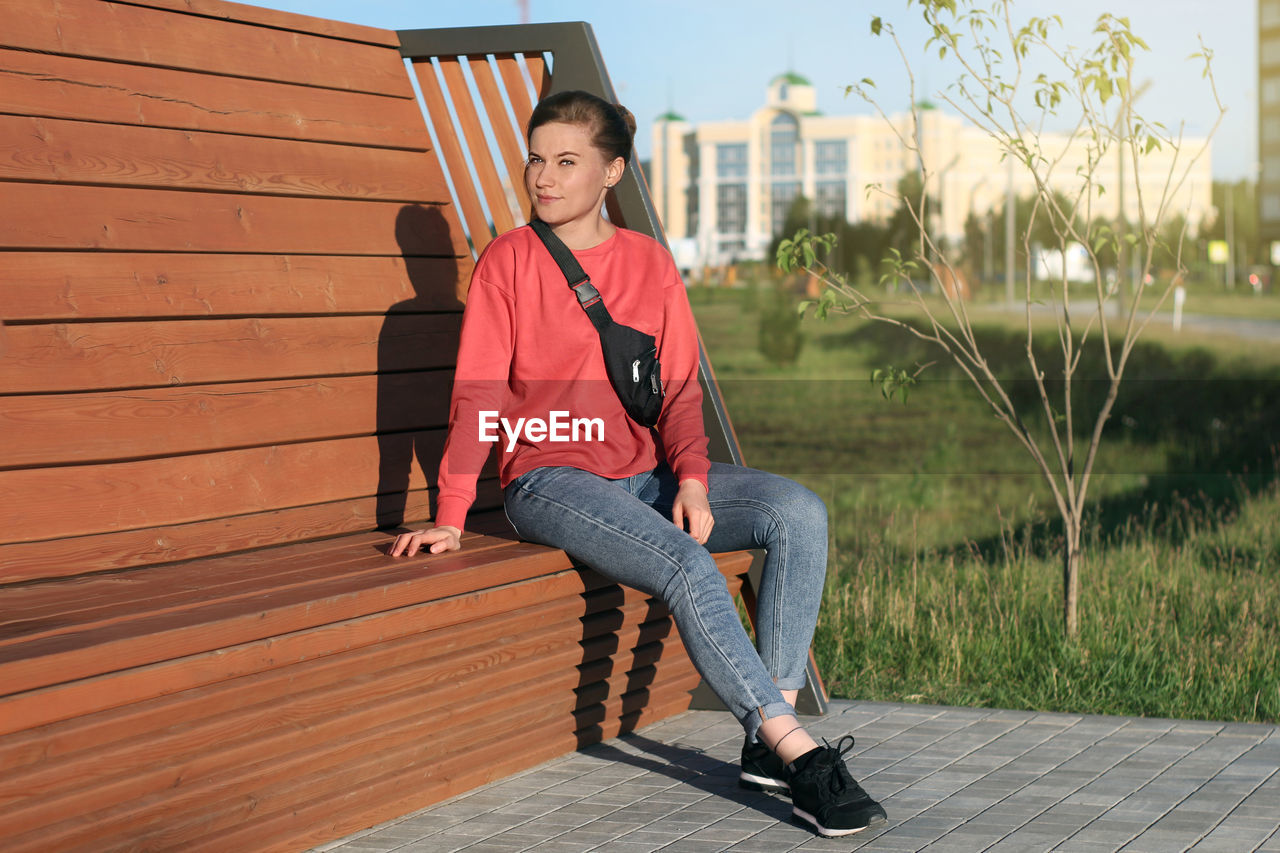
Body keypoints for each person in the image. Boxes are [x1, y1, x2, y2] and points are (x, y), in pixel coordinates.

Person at [390, 90, 886, 838]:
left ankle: (762, 735)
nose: (544, 177)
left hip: (646, 473)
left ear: (611, 171)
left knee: (797, 512)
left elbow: (680, 389)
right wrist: (452, 513)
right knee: (687, 562)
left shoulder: (649, 264)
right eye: (535, 159)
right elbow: (479, 394)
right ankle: (800, 753)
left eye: (566, 161)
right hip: (549, 479)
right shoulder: (509, 262)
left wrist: (691, 473)